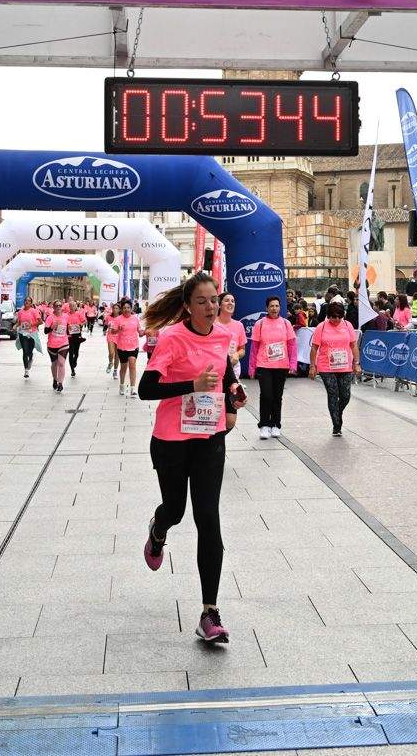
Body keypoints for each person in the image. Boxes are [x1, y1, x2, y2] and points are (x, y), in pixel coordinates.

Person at [136, 272, 247, 645]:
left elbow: (224, 372)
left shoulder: (223, 335)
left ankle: (209, 612)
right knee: (176, 510)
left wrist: (233, 392)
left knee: (208, 519)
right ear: (187, 306)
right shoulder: (171, 338)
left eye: (214, 300)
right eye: (202, 301)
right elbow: (146, 389)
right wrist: (191, 386)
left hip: (209, 436)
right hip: (170, 439)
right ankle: (158, 528)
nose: (211, 307)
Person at [308, 300, 359, 436]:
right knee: (333, 393)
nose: (336, 319)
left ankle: (337, 411)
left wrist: (357, 363)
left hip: (345, 366)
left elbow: (353, 345)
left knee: (345, 395)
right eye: (333, 316)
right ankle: (337, 425)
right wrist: (312, 366)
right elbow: (314, 348)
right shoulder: (321, 327)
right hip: (326, 367)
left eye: (339, 316)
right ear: (328, 315)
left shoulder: (348, 325)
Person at [250, 295, 296, 438]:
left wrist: (293, 364)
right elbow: (254, 347)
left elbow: (292, 345)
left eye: (276, 306)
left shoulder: (286, 323)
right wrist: (252, 367)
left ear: (280, 308)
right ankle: (264, 425)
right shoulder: (260, 324)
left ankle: (276, 424)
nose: (274, 308)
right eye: (271, 306)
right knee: (266, 395)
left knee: (277, 396)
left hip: (281, 365)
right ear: (267, 308)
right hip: (264, 365)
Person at [109, 300, 143, 397]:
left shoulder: (135, 319)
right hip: (122, 347)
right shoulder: (118, 319)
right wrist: (118, 329)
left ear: (131, 308)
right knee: (123, 367)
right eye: (124, 308)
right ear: (122, 309)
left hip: (134, 346)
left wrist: (145, 332)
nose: (126, 309)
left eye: (128, 307)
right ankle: (122, 385)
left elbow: (139, 332)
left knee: (132, 365)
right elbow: (113, 332)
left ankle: (133, 389)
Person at [45, 300, 71, 392]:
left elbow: (67, 328)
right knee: (54, 363)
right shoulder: (50, 318)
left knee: (61, 363)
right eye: (57, 306)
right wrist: (52, 327)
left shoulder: (66, 316)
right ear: (54, 307)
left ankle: (60, 383)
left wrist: (70, 331)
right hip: (52, 344)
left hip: (63, 343)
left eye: (60, 305)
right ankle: (55, 379)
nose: (59, 307)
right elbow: (45, 331)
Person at [218, 293, 247, 374]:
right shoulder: (211, 324)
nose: (230, 303)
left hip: (233, 368)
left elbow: (242, 350)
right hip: (215, 367)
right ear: (219, 305)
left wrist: (237, 355)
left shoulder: (239, 325)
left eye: (232, 301)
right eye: (226, 300)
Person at [14, 298, 41, 380]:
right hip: (23, 333)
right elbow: (19, 322)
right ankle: (26, 370)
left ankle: (31, 357)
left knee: (29, 351)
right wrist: (15, 326)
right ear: (24, 302)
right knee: (25, 351)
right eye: (26, 301)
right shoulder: (20, 312)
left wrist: (31, 324)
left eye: (29, 301)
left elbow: (40, 321)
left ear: (31, 303)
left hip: (32, 333)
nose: (27, 302)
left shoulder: (34, 311)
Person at [65, 298, 87, 377]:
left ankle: (75, 360)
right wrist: (67, 326)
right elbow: (63, 323)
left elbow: (85, 321)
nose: (72, 307)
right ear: (69, 307)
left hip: (77, 334)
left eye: (74, 306)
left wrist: (81, 324)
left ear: (75, 307)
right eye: (71, 306)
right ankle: (72, 370)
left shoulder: (79, 314)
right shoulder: (66, 315)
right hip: (69, 335)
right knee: (70, 352)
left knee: (76, 351)